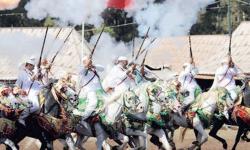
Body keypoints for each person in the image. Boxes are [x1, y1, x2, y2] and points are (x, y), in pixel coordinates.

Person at [73, 56, 105, 121]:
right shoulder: (82, 69)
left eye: (90, 60)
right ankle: (83, 118)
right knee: (93, 102)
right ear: (84, 62)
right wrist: (86, 66)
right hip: (89, 91)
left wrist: (93, 66)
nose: (90, 61)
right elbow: (81, 70)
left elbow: (102, 68)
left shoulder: (93, 68)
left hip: (99, 90)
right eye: (88, 60)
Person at [15, 57, 43, 125]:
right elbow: (28, 82)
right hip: (28, 93)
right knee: (36, 107)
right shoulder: (23, 73)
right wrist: (36, 73)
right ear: (29, 65)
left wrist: (45, 86)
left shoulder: (32, 73)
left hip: (36, 93)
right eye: (33, 66)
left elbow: (37, 84)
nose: (34, 67)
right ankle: (22, 117)